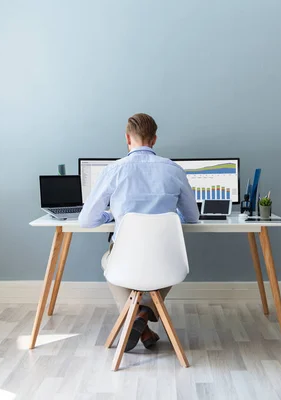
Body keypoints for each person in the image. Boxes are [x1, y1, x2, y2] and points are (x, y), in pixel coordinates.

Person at [78, 113, 199, 352]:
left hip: (126, 257)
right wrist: (171, 217)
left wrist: (110, 215)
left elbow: (86, 220)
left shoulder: (114, 170)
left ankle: (135, 321)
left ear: (127, 138)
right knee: (172, 264)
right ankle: (144, 313)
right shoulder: (174, 170)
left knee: (108, 262)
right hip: (167, 259)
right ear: (154, 140)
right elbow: (193, 217)